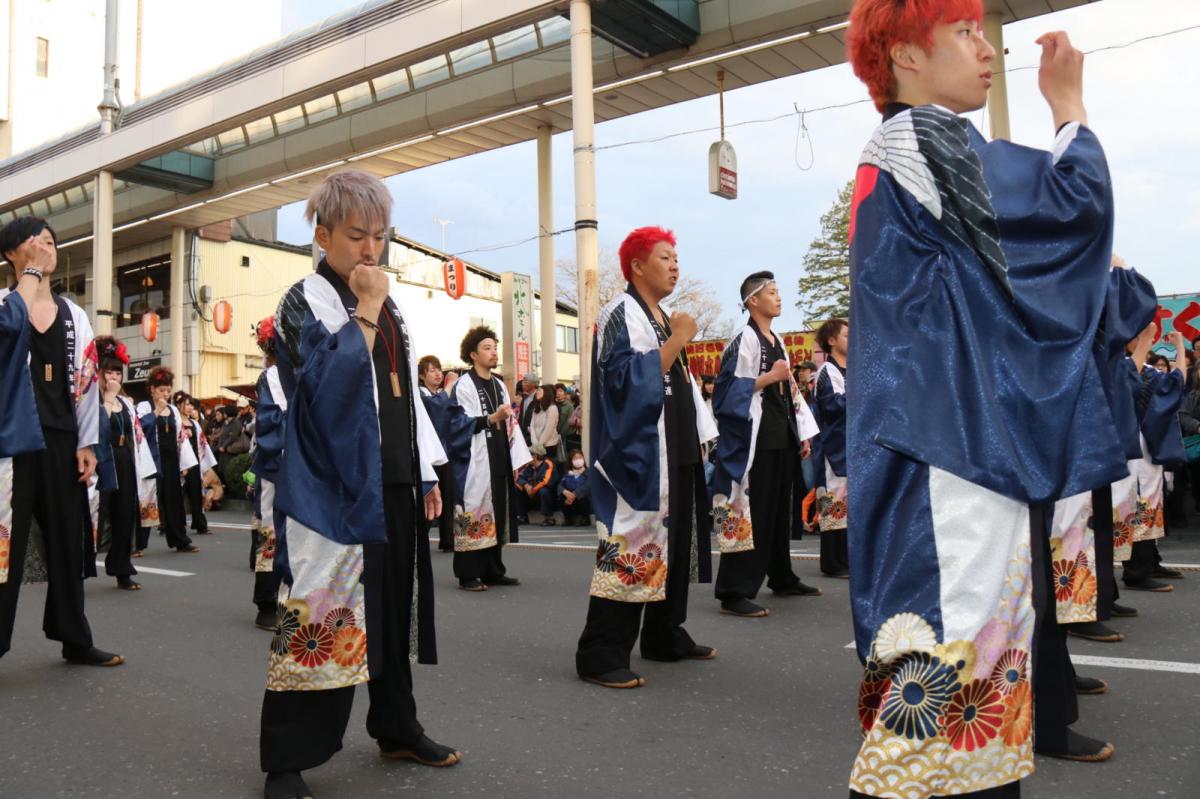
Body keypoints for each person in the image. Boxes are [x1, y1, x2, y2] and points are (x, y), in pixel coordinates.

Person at [845, 2, 1127, 793]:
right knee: (945, 683)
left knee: (959, 687)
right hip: (945, 449)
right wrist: (1068, 107)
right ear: (906, 55)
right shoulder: (920, 138)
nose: (986, 49)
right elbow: (1067, 213)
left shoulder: (904, 149)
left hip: (939, 437)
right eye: (965, 32)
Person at [261, 170, 457, 799]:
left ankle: (396, 725)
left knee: (390, 610)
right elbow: (325, 389)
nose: (371, 250)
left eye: (379, 236)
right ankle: (286, 759)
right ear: (322, 236)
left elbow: (404, 395)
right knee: (321, 610)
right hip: (335, 489)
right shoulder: (304, 300)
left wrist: (422, 470)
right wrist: (367, 308)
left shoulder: (389, 302)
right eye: (355, 236)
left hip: (391, 478)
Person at [574, 225, 718, 690]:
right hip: (638, 453)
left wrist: (702, 435)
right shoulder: (620, 312)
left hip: (676, 446)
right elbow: (622, 382)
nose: (675, 266)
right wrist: (678, 340)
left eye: (676, 258)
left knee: (676, 546)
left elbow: (683, 387)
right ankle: (600, 653)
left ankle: (664, 633)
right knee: (631, 545)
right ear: (637, 266)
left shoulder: (664, 317)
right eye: (664, 258)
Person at [0, 216, 123, 666]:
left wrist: (86, 443)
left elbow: (87, 384)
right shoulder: (4, 305)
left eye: (51, 242)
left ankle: (74, 637)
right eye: (36, 243)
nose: (46, 249)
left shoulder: (75, 315)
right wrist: (29, 278)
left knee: (68, 542)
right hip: (11, 444)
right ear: (12, 254)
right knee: (5, 548)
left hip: (61, 440)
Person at [709, 271, 822, 619]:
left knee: (777, 512)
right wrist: (769, 377)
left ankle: (781, 575)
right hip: (755, 440)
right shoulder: (743, 339)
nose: (778, 297)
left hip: (780, 434)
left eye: (778, 291)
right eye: (771, 292)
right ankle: (733, 591)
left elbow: (789, 391)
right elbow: (724, 394)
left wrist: (801, 432)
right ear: (753, 301)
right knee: (750, 512)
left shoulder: (777, 340)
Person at [446, 326, 531, 591]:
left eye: (495, 348)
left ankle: (493, 570)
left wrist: (517, 456)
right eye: (487, 348)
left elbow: (510, 422)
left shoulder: (499, 385)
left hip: (499, 454)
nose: (494, 352)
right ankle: (467, 573)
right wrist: (491, 419)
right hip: (475, 459)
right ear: (473, 354)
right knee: (474, 509)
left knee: (497, 511)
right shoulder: (463, 385)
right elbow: (456, 424)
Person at [1120, 326, 1187, 592]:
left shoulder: (1145, 370)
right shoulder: (1124, 368)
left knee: (1149, 504)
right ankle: (1137, 571)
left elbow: (1177, 382)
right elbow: (1176, 383)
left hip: (1145, 445)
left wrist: (1179, 345)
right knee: (1137, 505)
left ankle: (1150, 562)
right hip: (1131, 446)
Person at [95, 336, 156, 591]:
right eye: (109, 372)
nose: (114, 377)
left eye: (118, 373)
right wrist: (108, 397)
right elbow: (98, 428)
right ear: (99, 373)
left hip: (124, 459)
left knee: (124, 516)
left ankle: (122, 568)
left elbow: (137, 435)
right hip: (100, 460)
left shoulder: (126, 403)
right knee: (95, 515)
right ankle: (78, 567)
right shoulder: (91, 398)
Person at [140, 367, 201, 554]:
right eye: (161, 390)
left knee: (174, 500)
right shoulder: (144, 407)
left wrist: (184, 463)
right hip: (152, 459)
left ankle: (180, 540)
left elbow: (180, 438)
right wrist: (156, 411)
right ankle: (137, 544)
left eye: (168, 390)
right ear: (152, 389)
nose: (165, 394)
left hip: (172, 460)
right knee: (147, 499)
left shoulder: (174, 410)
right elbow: (139, 429)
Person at [250, 316, 285, 630]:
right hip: (278, 463)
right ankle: (266, 603)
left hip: (302, 462)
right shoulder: (271, 377)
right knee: (272, 532)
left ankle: (290, 601)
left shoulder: (304, 371)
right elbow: (269, 422)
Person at [812, 318, 850, 578]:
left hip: (850, 445)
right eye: (846, 335)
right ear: (831, 341)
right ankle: (833, 563)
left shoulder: (851, 369)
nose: (852, 338)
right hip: (833, 447)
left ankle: (847, 559)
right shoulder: (827, 370)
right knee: (834, 502)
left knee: (847, 504)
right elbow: (833, 406)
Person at [418, 355, 456, 552]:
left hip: (445, 451)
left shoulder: (442, 394)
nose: (438, 374)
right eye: (432, 370)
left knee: (448, 497)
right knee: (428, 496)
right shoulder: (420, 394)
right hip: (428, 454)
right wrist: (449, 387)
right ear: (422, 375)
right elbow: (436, 407)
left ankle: (448, 539)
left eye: (439, 370)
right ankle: (420, 539)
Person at [178, 394, 217, 532]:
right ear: (179, 405)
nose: (189, 408)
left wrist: (204, 464)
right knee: (178, 495)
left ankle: (200, 523)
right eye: (186, 404)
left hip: (194, 463)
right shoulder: (175, 422)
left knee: (196, 493)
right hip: (180, 463)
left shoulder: (194, 423)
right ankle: (177, 525)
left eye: (191, 405)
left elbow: (202, 443)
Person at [515, 443, 556, 526]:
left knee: (544, 491)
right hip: (532, 495)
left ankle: (549, 518)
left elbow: (545, 481)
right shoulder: (528, 466)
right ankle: (522, 516)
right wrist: (526, 485)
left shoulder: (548, 464)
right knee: (518, 489)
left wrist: (533, 490)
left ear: (535, 456)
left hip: (546, 496)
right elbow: (519, 477)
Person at [558, 449, 592, 526]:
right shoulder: (568, 473)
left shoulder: (588, 472)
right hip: (570, 501)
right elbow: (560, 485)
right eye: (575, 458)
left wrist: (574, 494)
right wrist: (565, 492)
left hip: (582, 500)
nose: (578, 460)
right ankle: (567, 518)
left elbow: (587, 486)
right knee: (562, 497)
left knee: (583, 497)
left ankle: (585, 518)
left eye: (580, 457)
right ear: (571, 461)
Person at [528, 384, 561, 461]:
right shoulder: (536, 409)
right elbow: (532, 426)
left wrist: (540, 444)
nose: (537, 392)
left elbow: (549, 429)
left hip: (548, 445)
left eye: (539, 390)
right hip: (536, 445)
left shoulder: (552, 408)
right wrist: (535, 443)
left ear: (546, 393)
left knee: (547, 466)